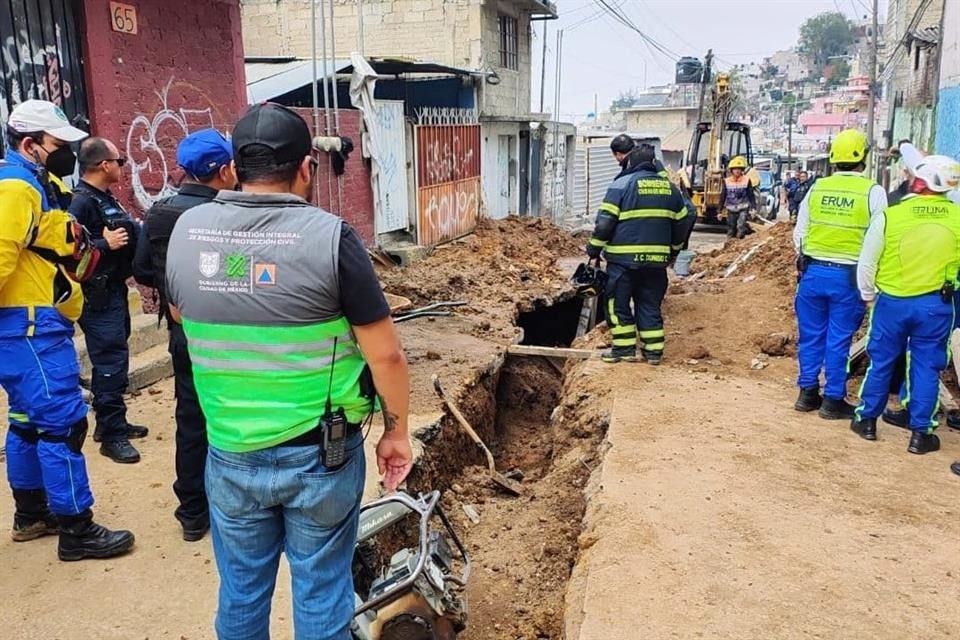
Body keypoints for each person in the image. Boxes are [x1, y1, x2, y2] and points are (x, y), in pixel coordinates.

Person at [165, 103, 414, 639]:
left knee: (241, 592)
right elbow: (386, 355)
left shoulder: (186, 231)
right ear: (306, 167)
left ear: (234, 167)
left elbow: (182, 313)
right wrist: (396, 431)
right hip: (319, 457)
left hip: (230, 450)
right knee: (322, 589)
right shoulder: (331, 237)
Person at [0, 100, 134, 560]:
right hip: (28, 327)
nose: (66, 153)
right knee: (64, 424)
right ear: (29, 143)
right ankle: (77, 528)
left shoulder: (39, 183)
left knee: (27, 420)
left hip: (34, 323)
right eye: (58, 145)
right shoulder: (16, 189)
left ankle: (31, 513)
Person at [132, 129, 236, 542]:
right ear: (225, 170)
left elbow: (141, 270)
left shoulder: (158, 213)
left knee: (191, 418)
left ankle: (192, 511)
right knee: (232, 416)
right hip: (231, 335)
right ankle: (235, 506)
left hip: (183, 334)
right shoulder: (232, 214)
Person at [851, 155, 960, 454]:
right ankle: (921, 434)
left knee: (881, 361)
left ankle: (867, 421)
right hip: (937, 307)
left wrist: (869, 296)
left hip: (892, 304)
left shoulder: (891, 216)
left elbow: (867, 263)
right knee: (927, 366)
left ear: (920, 182)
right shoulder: (958, 218)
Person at [793, 128, 886, 420]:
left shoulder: (816, 188)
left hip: (812, 273)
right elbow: (877, 240)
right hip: (848, 276)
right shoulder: (873, 192)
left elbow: (800, 234)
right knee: (838, 339)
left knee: (810, 336)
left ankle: (807, 393)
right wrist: (869, 286)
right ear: (863, 158)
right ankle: (833, 399)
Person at [70, 137, 146, 464]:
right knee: (109, 361)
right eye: (120, 162)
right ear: (104, 165)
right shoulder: (80, 202)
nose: (121, 167)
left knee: (117, 355)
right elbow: (67, 250)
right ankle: (111, 436)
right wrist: (104, 243)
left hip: (114, 290)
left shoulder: (102, 197)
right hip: (96, 297)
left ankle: (112, 422)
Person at [588, 143, 690, 365]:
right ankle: (653, 352)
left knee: (617, 304)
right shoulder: (670, 189)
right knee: (649, 304)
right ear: (654, 163)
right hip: (656, 264)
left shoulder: (621, 185)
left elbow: (605, 223)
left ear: (630, 162)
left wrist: (593, 249)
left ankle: (624, 350)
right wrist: (673, 250)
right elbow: (682, 223)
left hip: (623, 262)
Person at [720, 155, 756, 239]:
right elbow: (723, 196)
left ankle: (739, 241)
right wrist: (719, 211)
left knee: (741, 226)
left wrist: (753, 208)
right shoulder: (727, 181)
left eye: (739, 169)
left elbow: (751, 195)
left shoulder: (746, 180)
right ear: (731, 170)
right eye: (735, 169)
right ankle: (729, 245)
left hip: (743, 208)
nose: (737, 171)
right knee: (731, 229)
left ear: (742, 170)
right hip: (731, 209)